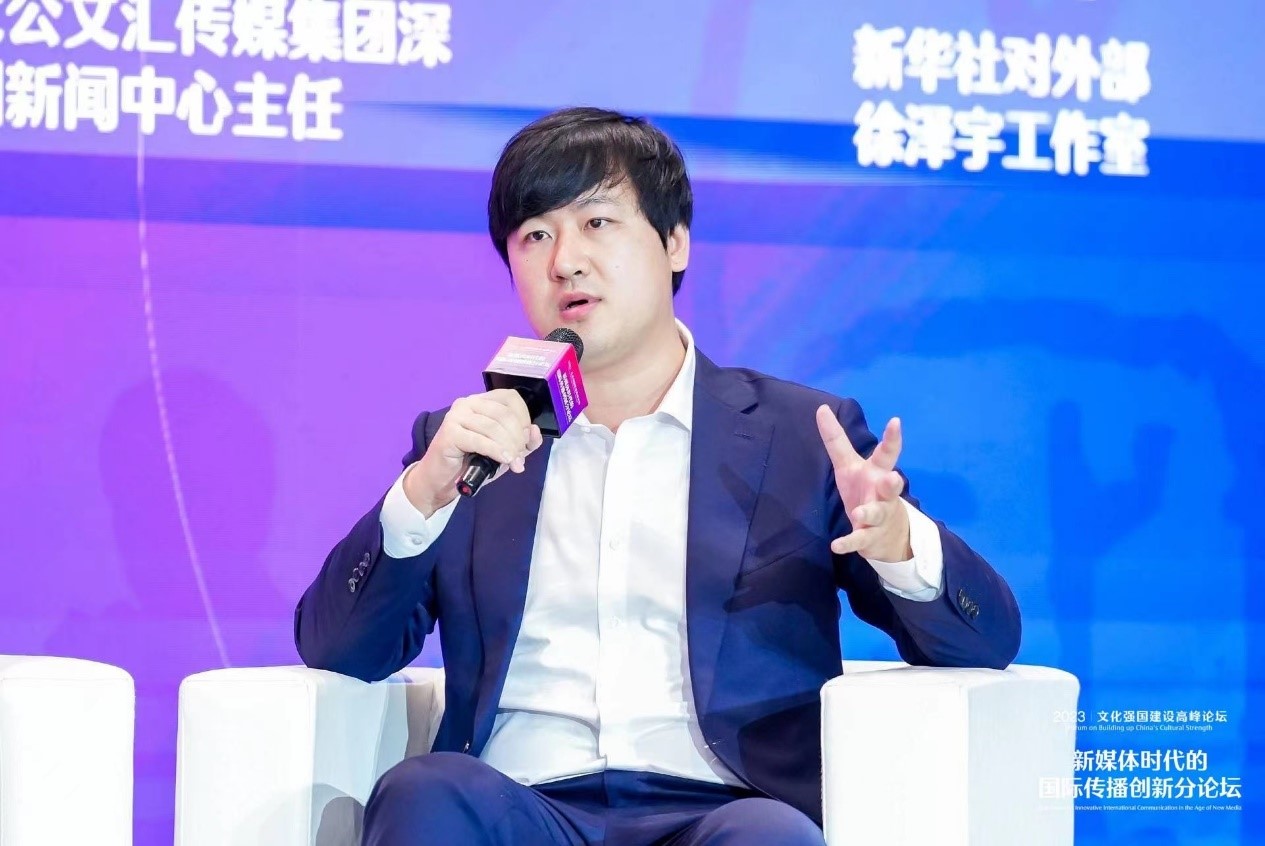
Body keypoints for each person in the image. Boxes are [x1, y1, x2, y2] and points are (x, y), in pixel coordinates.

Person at [295, 107, 1021, 846]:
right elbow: (339, 651)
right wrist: (423, 493)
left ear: (674, 242)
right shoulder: (470, 446)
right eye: (535, 235)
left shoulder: (801, 435)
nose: (565, 261)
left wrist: (897, 544)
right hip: (520, 808)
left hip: (726, 811)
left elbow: (985, 641)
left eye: (597, 223)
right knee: (425, 791)